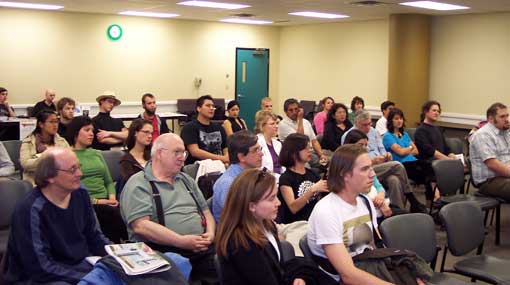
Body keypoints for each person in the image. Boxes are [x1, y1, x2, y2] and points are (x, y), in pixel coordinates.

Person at [3, 148, 110, 284]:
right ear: (50, 176)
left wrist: (118, 258)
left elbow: (94, 236)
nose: (80, 173)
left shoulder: (80, 193)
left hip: (79, 266)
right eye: (72, 170)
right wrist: (89, 277)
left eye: (79, 167)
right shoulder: (30, 209)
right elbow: (40, 268)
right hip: (41, 278)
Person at [120, 133, 217, 284]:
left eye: (183, 152)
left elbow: (206, 212)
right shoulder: (139, 184)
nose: (182, 157)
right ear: (159, 153)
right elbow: (141, 226)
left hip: (201, 248)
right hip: (161, 253)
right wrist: (181, 241)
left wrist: (210, 234)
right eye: (176, 152)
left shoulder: (186, 180)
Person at [307, 144, 391, 285]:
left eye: (371, 167)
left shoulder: (364, 202)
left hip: (367, 269)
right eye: (365, 169)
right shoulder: (326, 211)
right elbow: (347, 275)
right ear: (345, 174)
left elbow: (376, 247)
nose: (373, 174)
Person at [215, 168, 309, 285]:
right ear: (252, 206)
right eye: (271, 199)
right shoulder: (241, 243)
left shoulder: (266, 225)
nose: (278, 203)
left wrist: (299, 276)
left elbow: (278, 267)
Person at [342, 110, 425, 212]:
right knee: (397, 165)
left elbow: (382, 149)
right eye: (365, 125)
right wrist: (373, 161)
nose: (368, 127)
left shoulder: (374, 132)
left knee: (394, 180)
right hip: (364, 169)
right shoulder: (348, 135)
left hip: (381, 166)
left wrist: (387, 155)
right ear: (357, 123)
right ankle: (411, 198)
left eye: (369, 123)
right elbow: (349, 160)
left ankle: (398, 211)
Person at [67, 116, 127, 243]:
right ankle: (125, 241)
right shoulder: (68, 156)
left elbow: (109, 181)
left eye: (92, 130)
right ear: (76, 132)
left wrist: (111, 198)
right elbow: (70, 190)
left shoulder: (96, 153)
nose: (91, 133)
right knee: (108, 214)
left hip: (108, 202)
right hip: (85, 202)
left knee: (118, 211)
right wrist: (100, 202)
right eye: (87, 130)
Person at [212, 130, 263, 223]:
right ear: (241, 157)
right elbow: (241, 220)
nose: (261, 154)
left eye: (260, 149)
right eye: (256, 150)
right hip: (237, 234)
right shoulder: (227, 184)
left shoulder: (252, 175)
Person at [278, 133, 328, 224]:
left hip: (315, 220)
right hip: (297, 224)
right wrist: (311, 190)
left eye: (309, 148)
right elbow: (293, 207)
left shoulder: (312, 173)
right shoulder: (286, 178)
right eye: (306, 148)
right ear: (294, 152)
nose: (310, 151)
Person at [383, 108, 434, 195]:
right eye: (396, 119)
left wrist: (405, 149)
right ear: (390, 121)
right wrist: (410, 147)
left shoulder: (405, 134)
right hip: (401, 164)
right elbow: (400, 153)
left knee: (430, 167)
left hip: (413, 161)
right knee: (426, 175)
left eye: (401, 118)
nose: (399, 121)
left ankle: (433, 198)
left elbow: (416, 151)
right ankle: (433, 197)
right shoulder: (388, 136)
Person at [414, 100, 455, 200]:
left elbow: (446, 147)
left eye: (438, 111)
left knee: (460, 165)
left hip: (440, 160)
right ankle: (436, 197)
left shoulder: (437, 129)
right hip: (427, 162)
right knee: (436, 166)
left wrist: (451, 155)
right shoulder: (420, 130)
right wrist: (447, 159)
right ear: (426, 112)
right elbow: (430, 150)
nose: (437, 113)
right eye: (434, 110)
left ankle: (450, 198)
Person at [470, 102, 510, 201]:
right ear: (491, 119)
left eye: (507, 115)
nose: (507, 120)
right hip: (489, 181)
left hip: (504, 177)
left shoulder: (505, 132)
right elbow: (492, 164)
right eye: (502, 116)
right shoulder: (483, 135)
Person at [20, 110, 70, 184]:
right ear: (41, 124)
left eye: (56, 122)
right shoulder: (28, 142)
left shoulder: (61, 141)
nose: (55, 125)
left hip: (59, 181)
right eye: (51, 122)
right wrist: (47, 158)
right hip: (35, 182)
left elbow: (70, 160)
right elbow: (25, 164)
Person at [181, 95, 228, 165]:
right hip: (198, 168)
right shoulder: (189, 127)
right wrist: (222, 159)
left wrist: (226, 159)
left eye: (213, 106)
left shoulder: (219, 128)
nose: (212, 108)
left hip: (220, 166)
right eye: (208, 106)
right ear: (199, 108)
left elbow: (226, 148)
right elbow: (195, 151)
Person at [278, 98, 326, 167]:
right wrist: (300, 120)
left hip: (310, 152)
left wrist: (321, 155)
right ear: (286, 112)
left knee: (328, 162)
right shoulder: (283, 124)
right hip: (296, 155)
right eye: (291, 110)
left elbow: (314, 141)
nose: (294, 112)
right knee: (309, 167)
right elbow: (299, 140)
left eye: (296, 109)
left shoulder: (306, 122)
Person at [120, 118, 153, 183]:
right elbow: (133, 183)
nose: (150, 136)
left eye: (151, 133)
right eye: (146, 132)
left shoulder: (154, 154)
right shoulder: (126, 161)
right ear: (135, 133)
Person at [255, 111, 284, 177]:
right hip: (266, 180)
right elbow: (260, 169)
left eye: (277, 123)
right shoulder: (256, 143)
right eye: (272, 124)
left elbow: (283, 166)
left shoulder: (278, 144)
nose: (276, 126)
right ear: (262, 126)